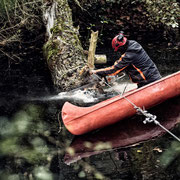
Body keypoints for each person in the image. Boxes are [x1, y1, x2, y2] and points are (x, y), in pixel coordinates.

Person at [91, 32, 162, 88]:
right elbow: (123, 66)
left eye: (119, 50)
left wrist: (95, 72)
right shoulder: (134, 44)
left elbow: (114, 69)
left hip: (149, 82)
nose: (119, 52)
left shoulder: (129, 56)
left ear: (121, 47)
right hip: (155, 77)